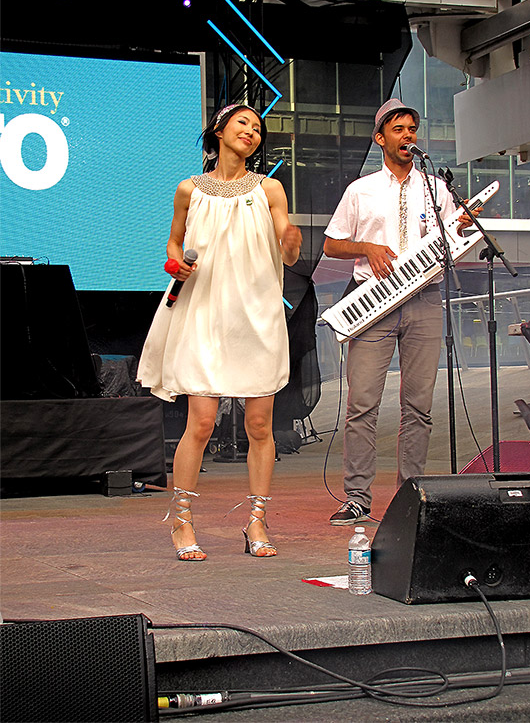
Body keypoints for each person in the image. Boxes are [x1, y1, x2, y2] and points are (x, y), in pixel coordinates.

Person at [138, 103, 302, 559]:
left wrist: (290, 241)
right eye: (242, 122)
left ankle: (257, 520)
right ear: (219, 129)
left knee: (259, 424)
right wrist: (176, 263)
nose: (251, 131)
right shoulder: (189, 189)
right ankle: (182, 522)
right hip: (204, 312)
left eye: (257, 127)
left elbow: (287, 249)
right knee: (203, 421)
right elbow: (173, 244)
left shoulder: (270, 189)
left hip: (256, 315)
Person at [323, 98, 479, 525]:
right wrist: (366, 247)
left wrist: (463, 227)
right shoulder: (361, 190)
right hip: (373, 302)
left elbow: (450, 239)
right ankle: (357, 496)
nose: (408, 135)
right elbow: (332, 244)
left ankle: (410, 495)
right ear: (380, 138)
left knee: (419, 406)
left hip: (425, 299)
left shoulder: (437, 187)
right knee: (363, 404)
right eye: (398, 129)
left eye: (412, 128)